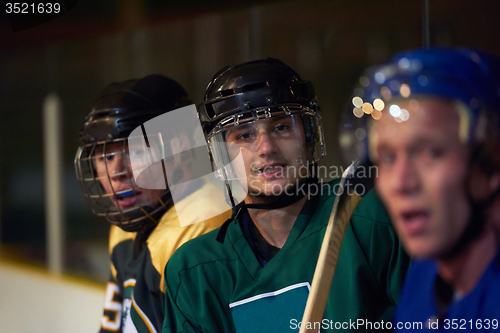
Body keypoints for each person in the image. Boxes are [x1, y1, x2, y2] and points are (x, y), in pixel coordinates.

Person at [162, 58, 410, 333]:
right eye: (244, 135)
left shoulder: (367, 216)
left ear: (308, 135)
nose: (266, 148)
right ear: (220, 155)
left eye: (281, 127)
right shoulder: (195, 271)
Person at [343, 47, 500, 331]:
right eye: (388, 158)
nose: (401, 182)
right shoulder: (425, 276)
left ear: (491, 161)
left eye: (431, 152)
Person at [74, 74, 231, 333]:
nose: (116, 172)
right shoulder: (126, 228)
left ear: (180, 151)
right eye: (106, 156)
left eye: (135, 151)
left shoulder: (202, 221)